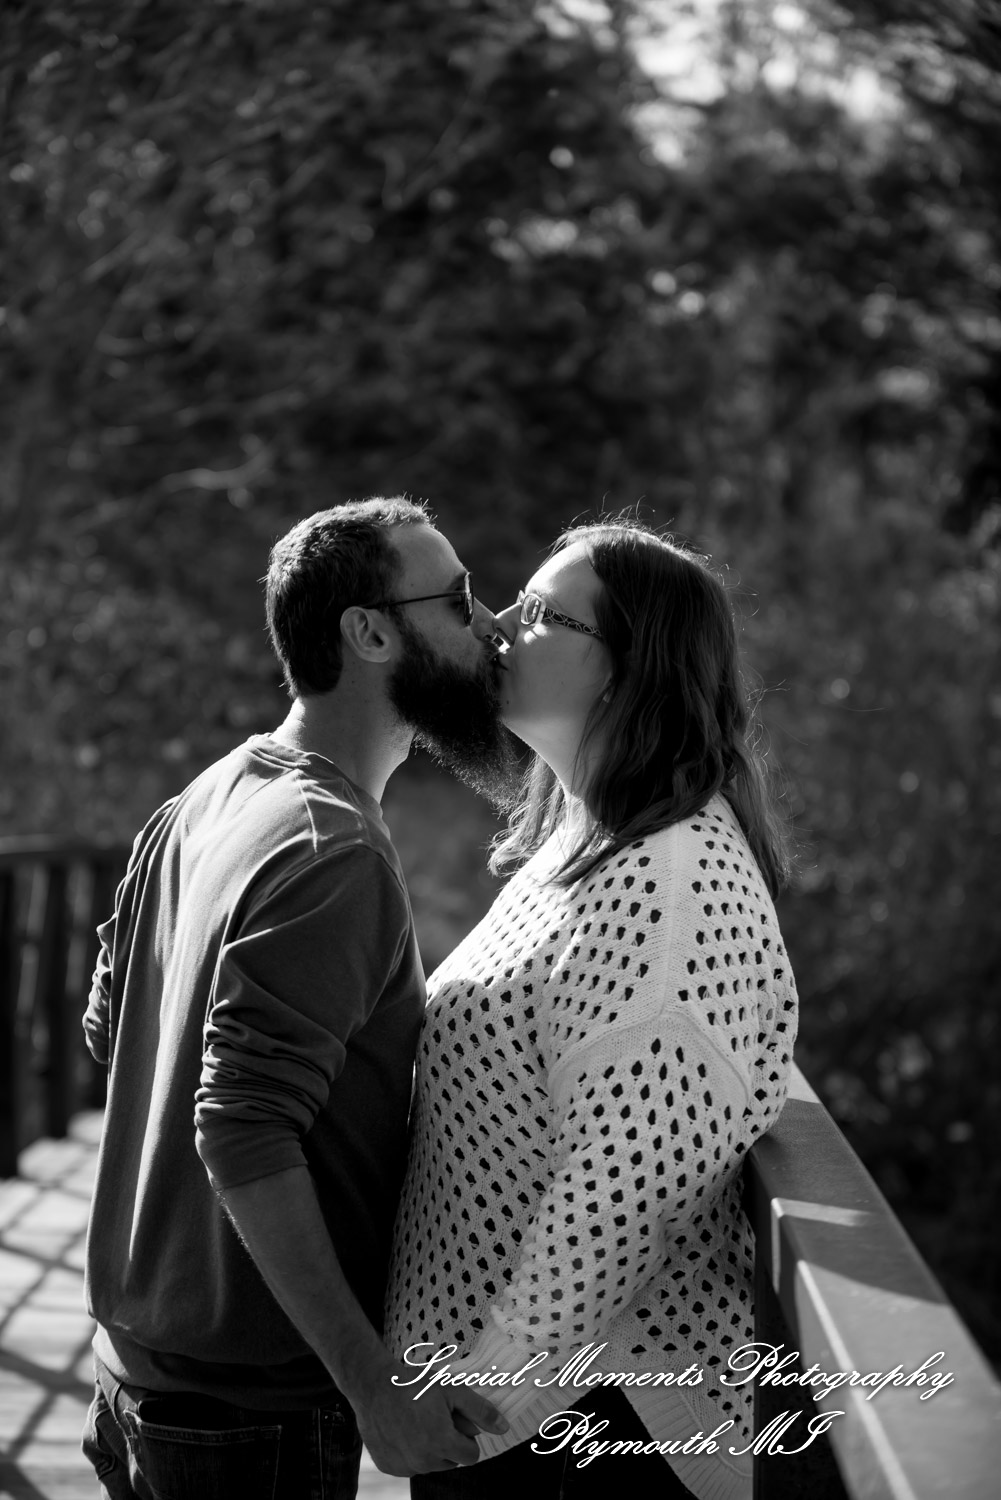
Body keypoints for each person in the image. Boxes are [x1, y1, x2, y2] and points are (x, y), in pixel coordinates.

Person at [81, 496, 512, 1500]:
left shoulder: (204, 796)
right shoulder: (333, 853)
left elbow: (113, 1025)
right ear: (368, 632)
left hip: (132, 1380)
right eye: (456, 600)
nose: (488, 625)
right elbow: (241, 1128)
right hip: (243, 1421)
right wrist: (374, 1390)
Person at [385, 519, 799, 1500]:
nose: (493, 628)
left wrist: (481, 1401)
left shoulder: (666, 895)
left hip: (582, 1430)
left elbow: (622, 1197)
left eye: (538, 615)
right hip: (519, 1410)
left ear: (625, 670)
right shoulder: (585, 845)